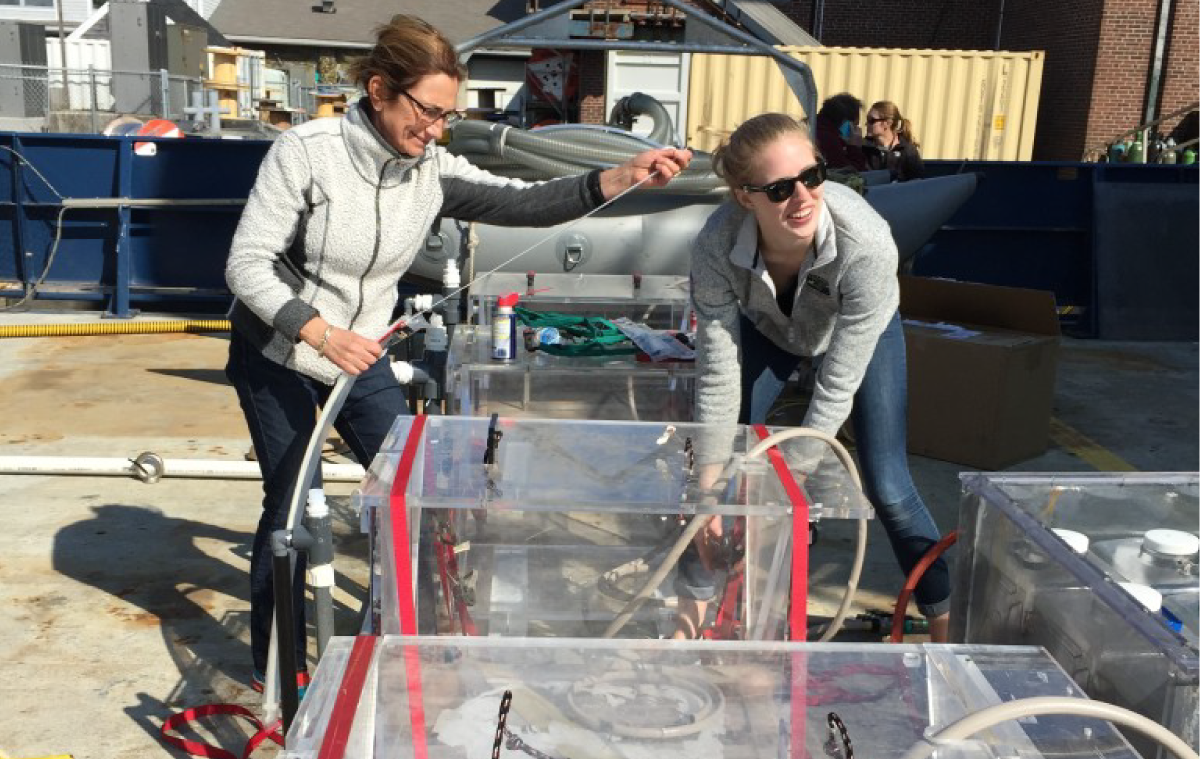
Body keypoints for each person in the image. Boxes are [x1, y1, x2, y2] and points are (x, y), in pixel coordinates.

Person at [225, 14, 692, 691]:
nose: (437, 129)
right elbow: (246, 265)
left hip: (363, 354)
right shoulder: (308, 151)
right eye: (428, 112)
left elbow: (526, 202)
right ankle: (280, 670)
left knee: (421, 490)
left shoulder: (431, 168)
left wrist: (618, 176)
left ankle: (407, 640)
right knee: (295, 509)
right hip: (279, 352)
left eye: (448, 115)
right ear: (380, 89)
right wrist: (318, 331)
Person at [681, 112, 950, 641]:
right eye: (780, 189)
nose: (803, 197)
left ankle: (948, 628)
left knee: (888, 483)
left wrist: (793, 483)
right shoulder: (715, 246)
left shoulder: (866, 244)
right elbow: (716, 372)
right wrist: (708, 488)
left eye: (813, 176)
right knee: (722, 476)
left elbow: (835, 387)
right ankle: (688, 619)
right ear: (744, 196)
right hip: (770, 327)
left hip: (854, 335)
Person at [865, 101, 925, 182]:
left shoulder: (908, 151)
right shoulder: (864, 148)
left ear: (887, 123)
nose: (866, 124)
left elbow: (917, 182)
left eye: (871, 120)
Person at [814, 92, 868, 172]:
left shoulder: (815, 127)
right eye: (855, 125)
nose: (857, 130)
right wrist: (854, 147)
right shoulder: (828, 140)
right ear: (847, 123)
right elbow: (852, 174)